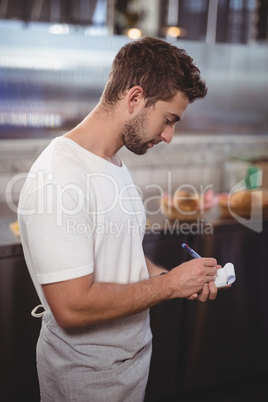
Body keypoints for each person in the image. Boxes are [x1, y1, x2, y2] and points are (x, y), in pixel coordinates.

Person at [18, 37, 219, 402]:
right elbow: (71, 307)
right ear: (135, 98)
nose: (169, 136)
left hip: (127, 366)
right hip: (86, 377)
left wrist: (170, 277)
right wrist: (169, 286)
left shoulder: (112, 162)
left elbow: (117, 250)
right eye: (168, 120)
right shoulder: (61, 175)